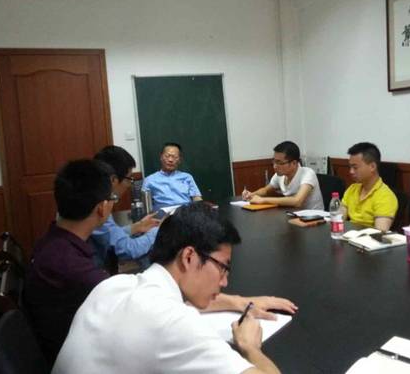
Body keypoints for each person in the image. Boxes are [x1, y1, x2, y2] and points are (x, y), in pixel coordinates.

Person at [53, 203, 297, 374]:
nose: (224, 282)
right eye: (223, 267)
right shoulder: (175, 323)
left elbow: (174, 304)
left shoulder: (113, 285)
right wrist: (250, 347)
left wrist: (239, 302)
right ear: (189, 256)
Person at [23, 159, 114, 367]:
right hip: (79, 361)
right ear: (102, 208)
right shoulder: (73, 268)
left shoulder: (52, 241)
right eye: (113, 198)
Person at [91, 146, 159, 269]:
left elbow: (109, 235)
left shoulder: (92, 197)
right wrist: (158, 231)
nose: (129, 185)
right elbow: (128, 250)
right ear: (113, 180)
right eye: (129, 179)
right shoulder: (98, 206)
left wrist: (137, 227)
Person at [242, 141, 324, 210]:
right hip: (293, 215)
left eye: (279, 163)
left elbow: (297, 201)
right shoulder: (280, 175)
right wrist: (251, 195)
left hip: (315, 219)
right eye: (274, 161)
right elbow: (266, 190)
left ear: (294, 163)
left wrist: (263, 200)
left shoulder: (308, 173)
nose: (275, 166)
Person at [340, 142, 398, 231]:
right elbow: (338, 220)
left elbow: (379, 233)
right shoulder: (352, 189)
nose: (351, 171)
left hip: (367, 239)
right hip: (347, 235)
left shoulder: (386, 196)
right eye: (350, 167)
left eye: (355, 167)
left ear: (372, 167)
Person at [142, 142, 203, 210]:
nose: (170, 160)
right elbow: (145, 205)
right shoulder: (149, 180)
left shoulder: (187, 177)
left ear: (179, 160)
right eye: (167, 156)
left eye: (175, 157)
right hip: (163, 214)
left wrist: (200, 210)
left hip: (185, 212)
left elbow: (197, 198)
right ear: (161, 157)